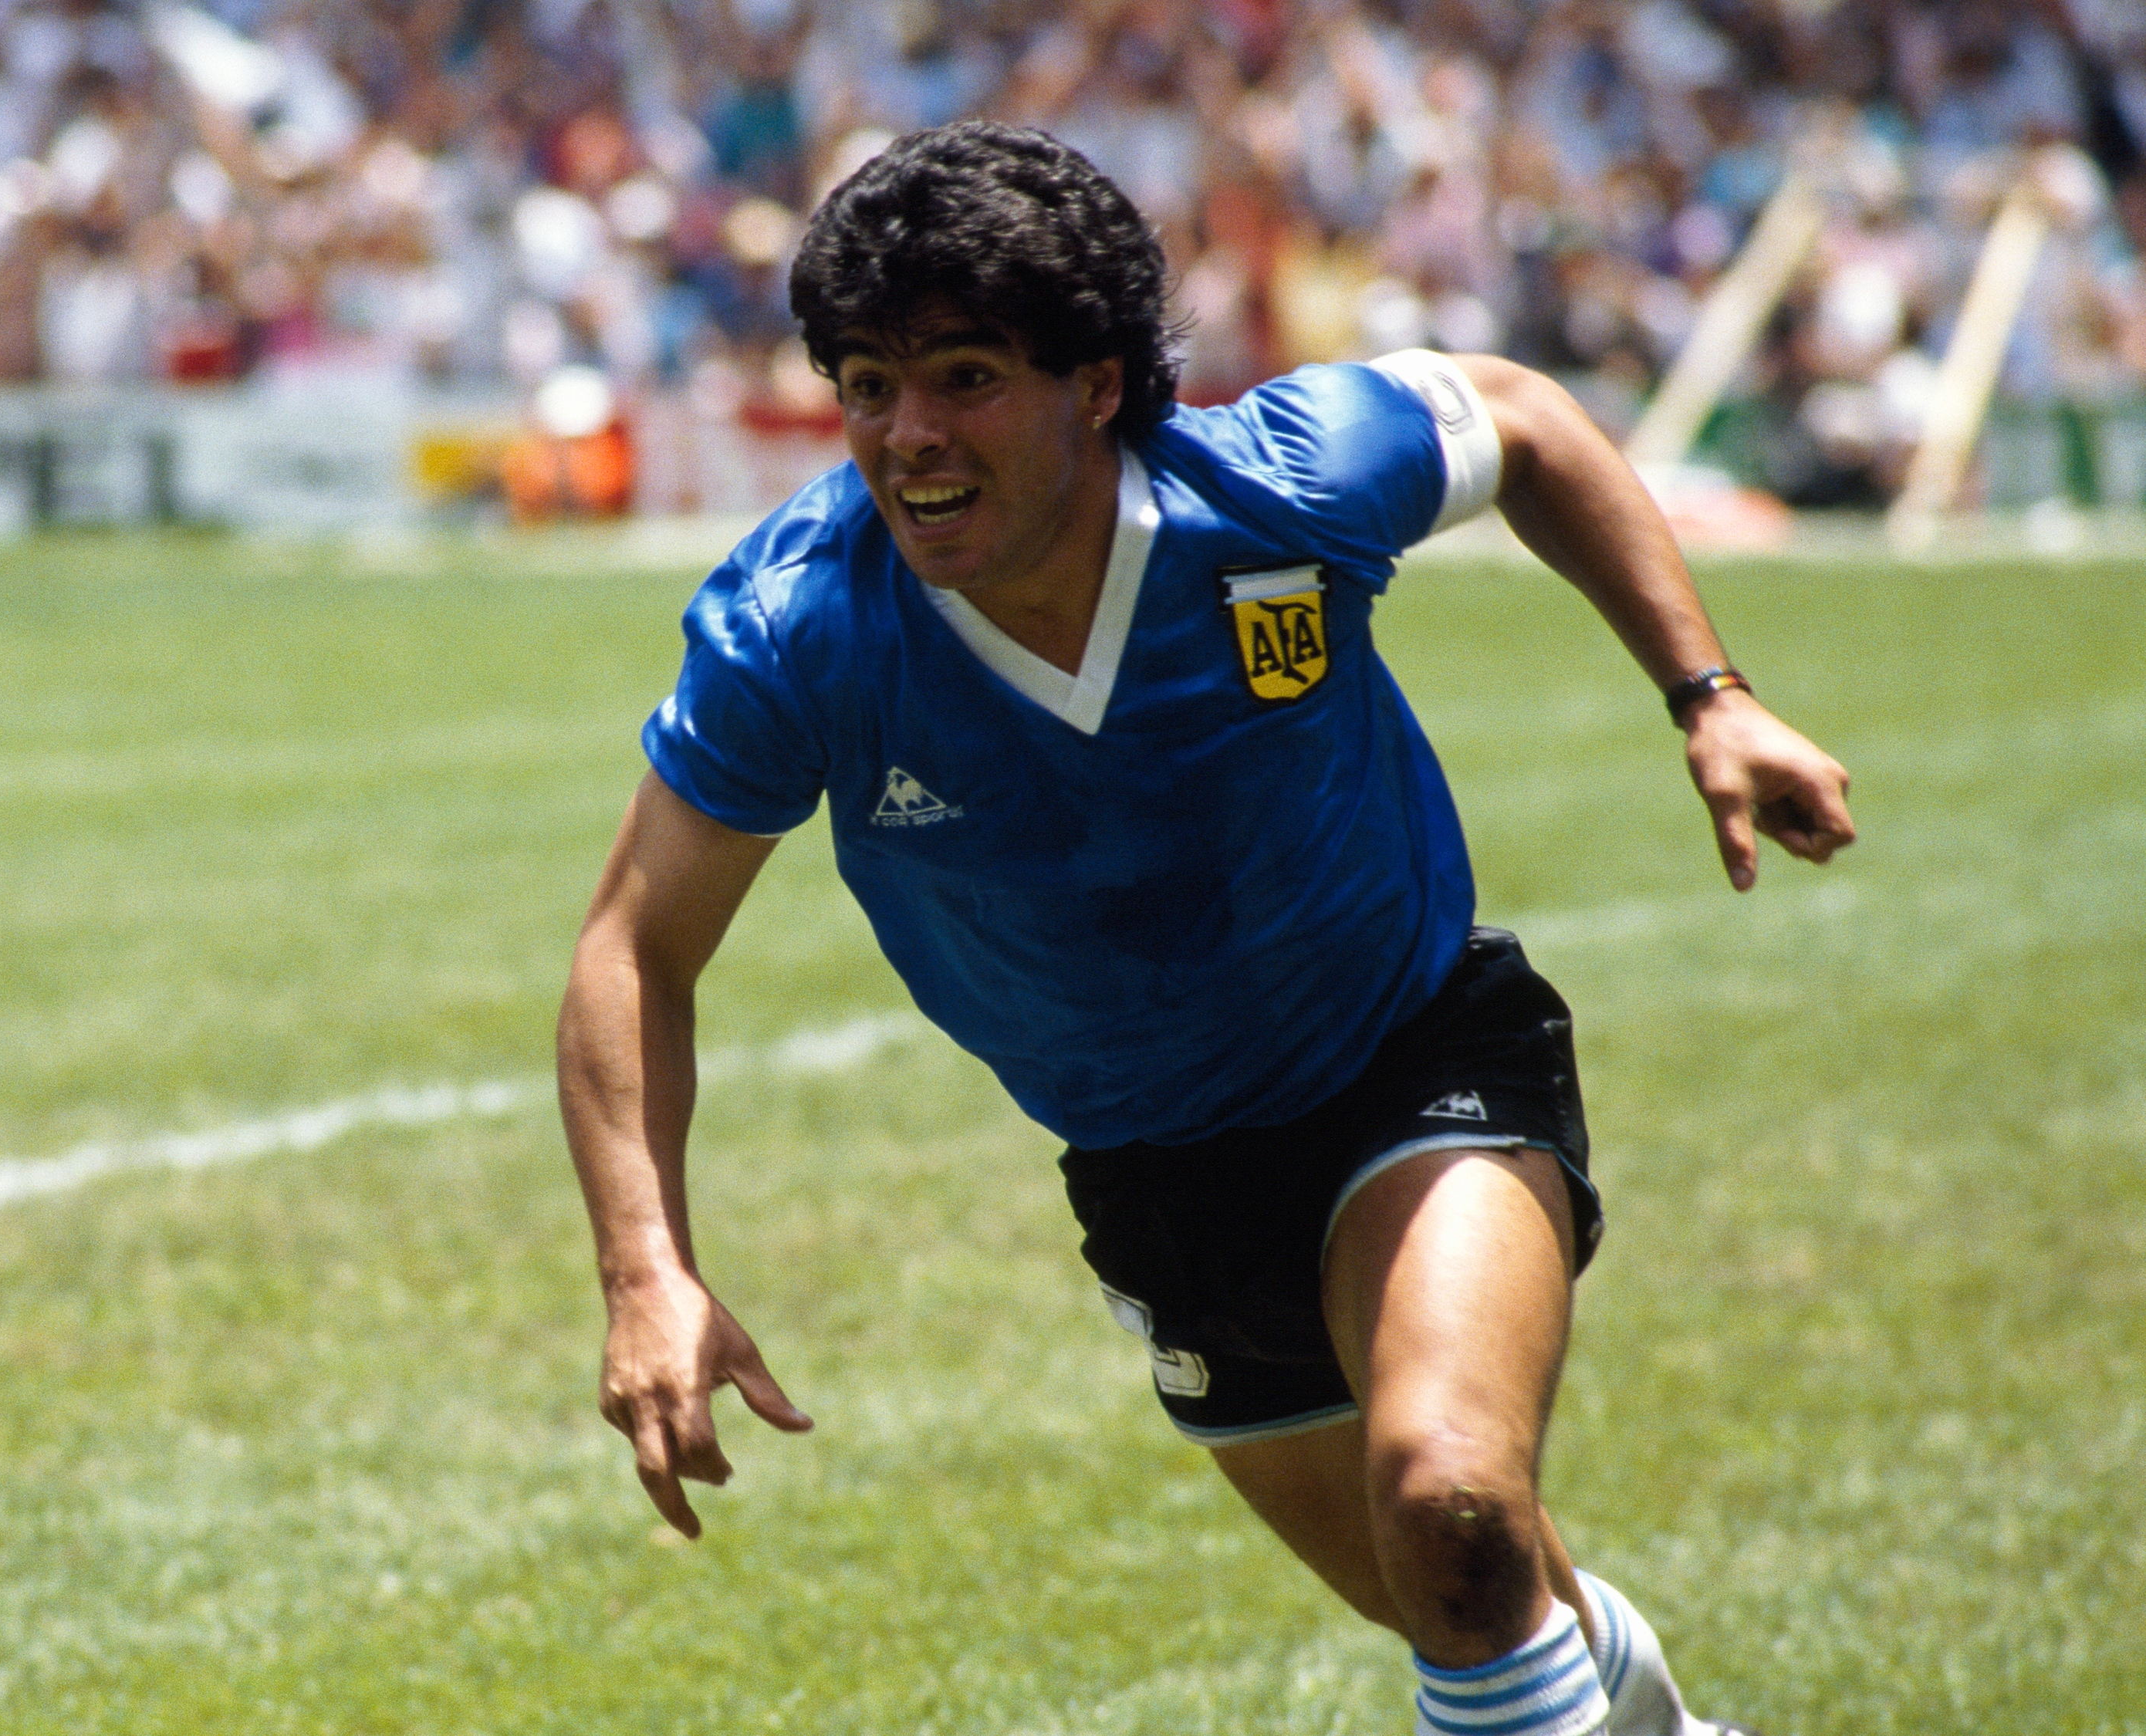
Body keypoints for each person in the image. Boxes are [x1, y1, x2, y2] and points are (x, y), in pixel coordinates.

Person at [556, 123, 1853, 1736]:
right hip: (1156, 1173)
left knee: (1448, 1501)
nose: (906, 435)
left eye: (964, 376)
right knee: (1473, 1585)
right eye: (868, 386)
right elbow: (633, 951)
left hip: (1415, 1059)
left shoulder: (1278, 485)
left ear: (1099, 381)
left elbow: (1521, 419)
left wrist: (1708, 698)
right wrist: (647, 1273)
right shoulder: (798, 629)